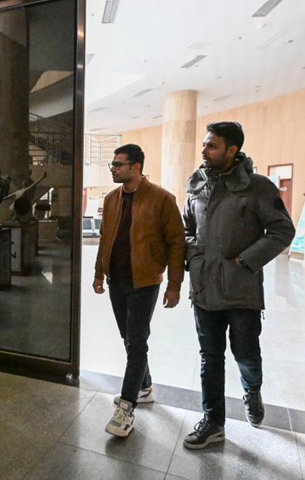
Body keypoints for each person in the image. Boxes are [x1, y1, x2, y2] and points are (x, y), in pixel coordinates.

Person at [182, 122, 295, 449]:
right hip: (203, 289)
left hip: (241, 288)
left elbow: (281, 231)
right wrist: (194, 256)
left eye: (212, 146)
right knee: (210, 357)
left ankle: (252, 390)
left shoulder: (258, 187)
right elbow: (186, 227)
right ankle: (213, 421)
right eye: (204, 145)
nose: (204, 151)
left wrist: (246, 261)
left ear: (232, 150)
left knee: (245, 353)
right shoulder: (198, 186)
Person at [93, 144, 185, 437]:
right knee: (128, 338)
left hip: (145, 282)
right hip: (116, 282)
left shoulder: (162, 199)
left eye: (118, 164)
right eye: (112, 164)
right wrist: (98, 273)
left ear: (136, 167)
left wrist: (174, 285)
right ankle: (144, 387)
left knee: (136, 341)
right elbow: (105, 238)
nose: (113, 168)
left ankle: (126, 407)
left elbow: (176, 244)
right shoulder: (111, 200)